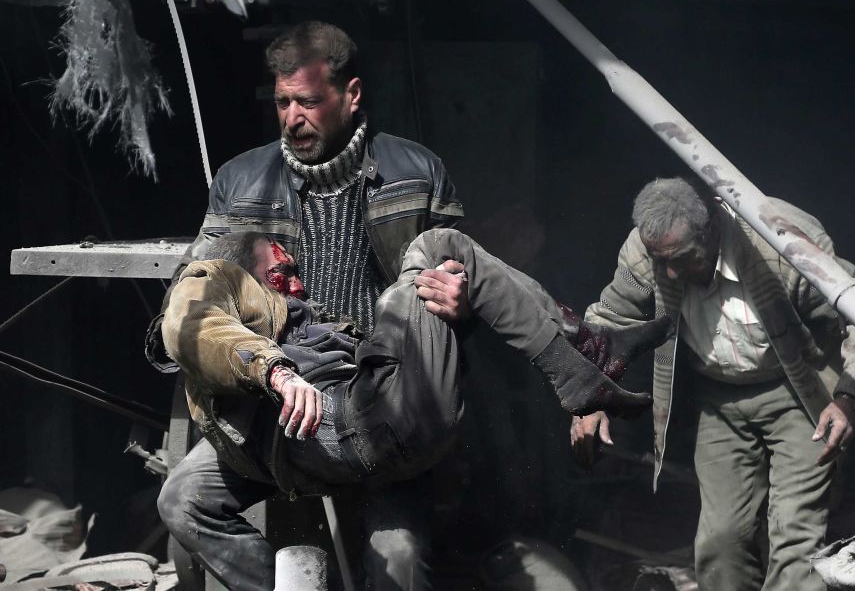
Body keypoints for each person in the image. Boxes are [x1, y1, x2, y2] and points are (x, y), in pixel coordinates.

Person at [157, 229, 671, 591]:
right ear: (242, 272)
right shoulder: (215, 280)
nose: (296, 283)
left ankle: (585, 356)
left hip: (374, 440)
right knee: (438, 247)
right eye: (280, 272)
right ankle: (586, 354)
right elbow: (189, 322)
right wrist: (277, 372)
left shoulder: (298, 325)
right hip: (367, 421)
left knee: (398, 559)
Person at [143, 21, 468, 589]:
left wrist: (460, 298)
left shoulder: (419, 172)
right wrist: (257, 365)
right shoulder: (240, 180)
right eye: (283, 102)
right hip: (280, 404)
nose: (294, 118)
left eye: (309, 102)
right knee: (183, 500)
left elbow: (464, 283)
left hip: (380, 400)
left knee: (400, 562)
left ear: (352, 94)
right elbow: (200, 289)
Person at [570, 176, 855, 591]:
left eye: (682, 258)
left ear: (711, 231)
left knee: (794, 544)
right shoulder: (644, 255)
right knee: (720, 544)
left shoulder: (780, 244)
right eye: (660, 260)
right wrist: (591, 397)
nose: (669, 272)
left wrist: (849, 397)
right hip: (719, 402)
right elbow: (610, 321)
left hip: (800, 394)